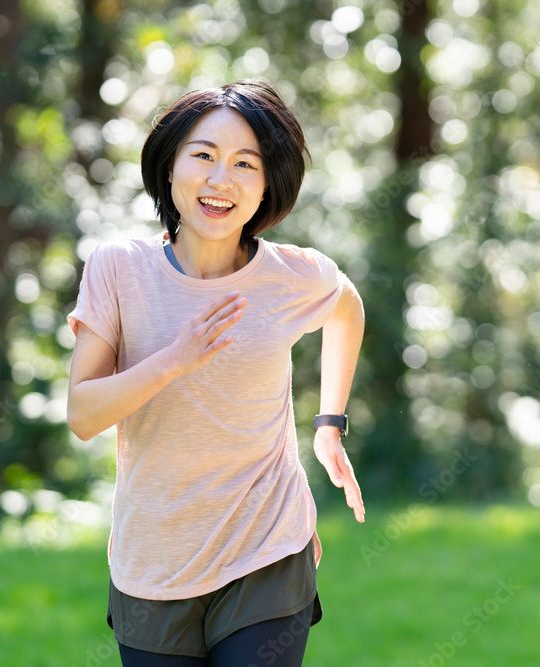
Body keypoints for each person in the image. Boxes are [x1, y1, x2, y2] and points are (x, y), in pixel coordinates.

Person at [65, 79, 366, 667]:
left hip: (267, 548)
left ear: (267, 184)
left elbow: (347, 307)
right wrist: (173, 359)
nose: (220, 180)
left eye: (245, 164)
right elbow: (83, 415)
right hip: (154, 561)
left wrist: (329, 424)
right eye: (203, 155)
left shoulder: (291, 276)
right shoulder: (119, 269)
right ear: (169, 166)